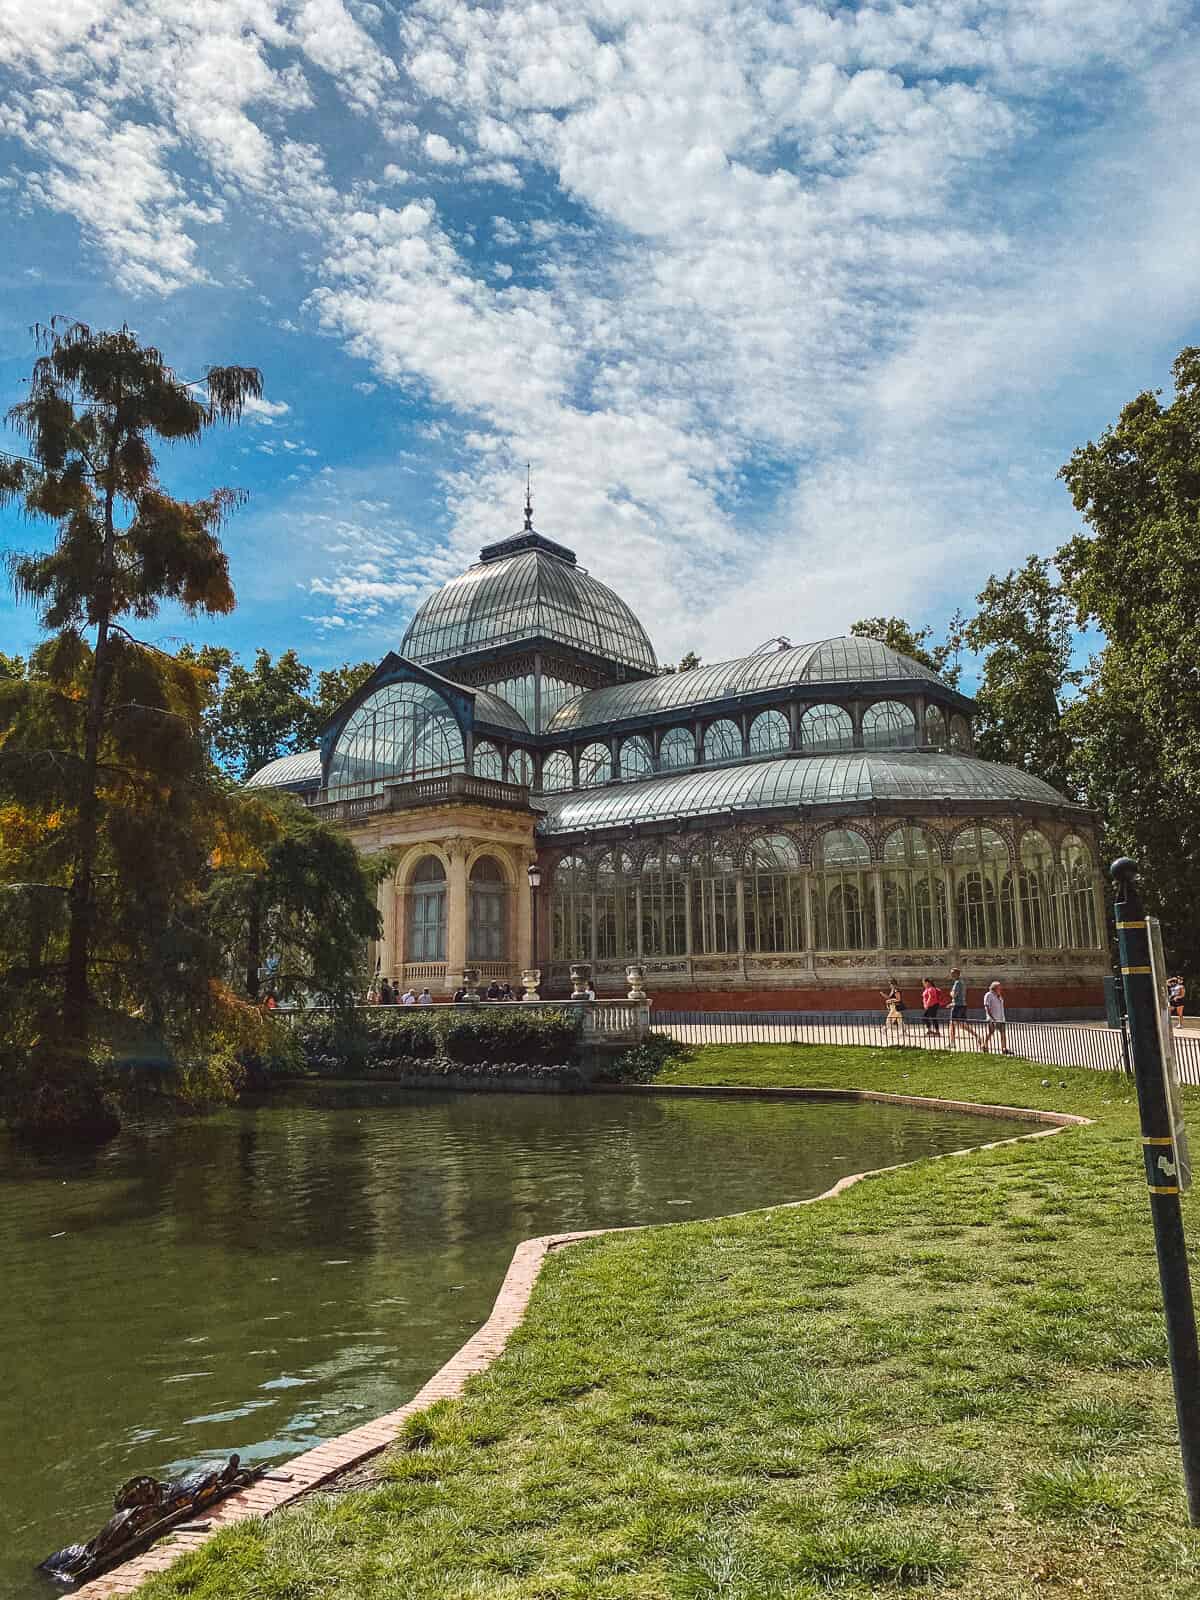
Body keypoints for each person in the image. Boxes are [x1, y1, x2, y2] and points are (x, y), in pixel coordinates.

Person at [947, 968, 981, 1048]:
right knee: (962, 1025)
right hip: (962, 1005)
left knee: (952, 1024)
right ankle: (977, 1036)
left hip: (957, 1006)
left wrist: (951, 993)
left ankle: (952, 1043)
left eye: (952, 973)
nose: (951, 975)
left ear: (957, 974)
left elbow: (954, 995)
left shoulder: (957, 983)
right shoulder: (962, 983)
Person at [983, 981, 1011, 1054]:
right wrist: (992, 1018)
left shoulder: (999, 996)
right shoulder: (988, 995)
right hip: (993, 1019)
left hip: (1001, 1019)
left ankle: (1004, 1048)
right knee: (990, 1032)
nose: (1000, 989)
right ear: (994, 988)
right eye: (999, 988)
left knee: (1003, 1033)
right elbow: (987, 1007)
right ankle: (984, 1045)